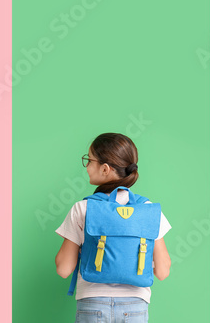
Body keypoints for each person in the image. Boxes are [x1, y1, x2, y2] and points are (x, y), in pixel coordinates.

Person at [55, 133, 172, 323]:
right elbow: (163, 271)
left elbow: (63, 268)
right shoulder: (149, 210)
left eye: (89, 160)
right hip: (135, 306)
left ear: (105, 169)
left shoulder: (83, 208)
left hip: (92, 305)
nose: (86, 166)